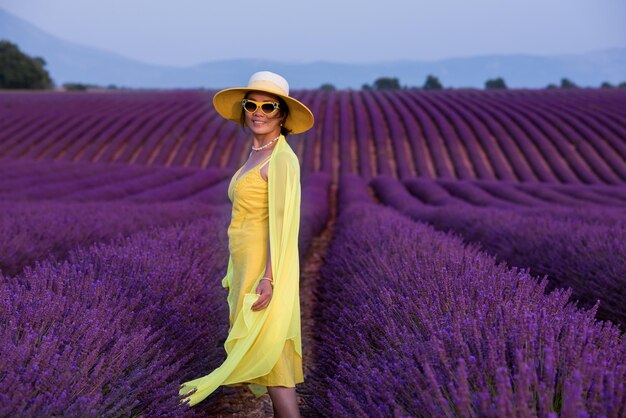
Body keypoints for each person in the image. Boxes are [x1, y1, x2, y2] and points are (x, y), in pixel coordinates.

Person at [179, 71, 314, 417]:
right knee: (269, 357)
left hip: (263, 268)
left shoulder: (281, 160)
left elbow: (283, 226)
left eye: (268, 107)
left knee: (273, 354)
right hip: (245, 263)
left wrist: (269, 278)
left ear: (282, 115)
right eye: (251, 104)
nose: (258, 112)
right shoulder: (257, 154)